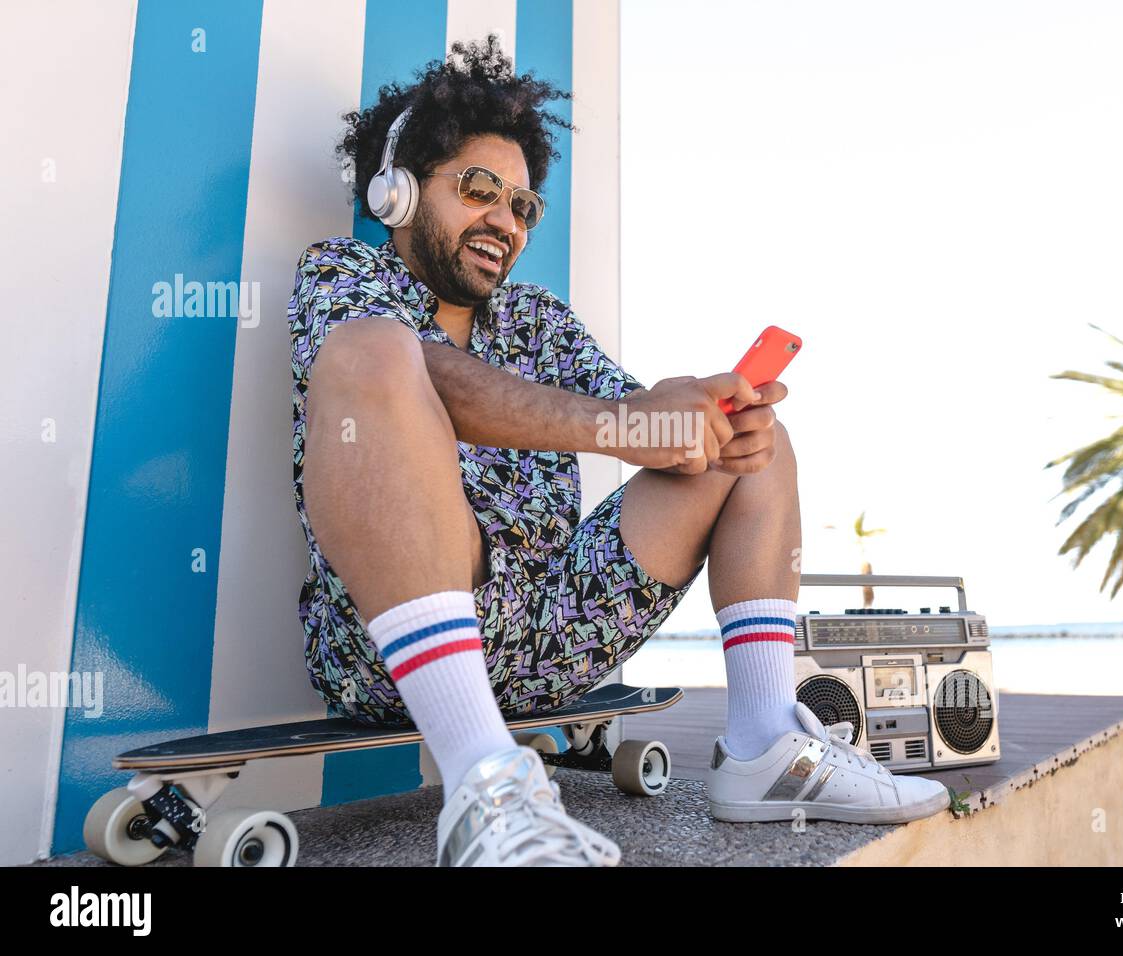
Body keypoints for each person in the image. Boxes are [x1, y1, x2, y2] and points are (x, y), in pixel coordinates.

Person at [289, 34, 950, 868]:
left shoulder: (537, 318)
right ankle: (482, 786)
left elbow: (632, 414)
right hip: (389, 652)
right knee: (375, 353)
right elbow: (453, 384)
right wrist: (623, 425)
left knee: (749, 437)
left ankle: (764, 745)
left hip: (554, 634)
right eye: (480, 191)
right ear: (397, 190)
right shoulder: (343, 277)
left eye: (523, 206)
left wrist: (696, 416)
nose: (504, 221)